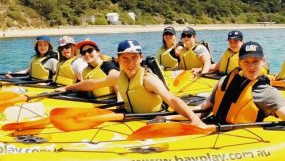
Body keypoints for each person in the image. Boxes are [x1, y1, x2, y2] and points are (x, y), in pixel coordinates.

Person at [70, 40, 207, 125]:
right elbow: (91, 84)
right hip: (132, 118)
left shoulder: (147, 79)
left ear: (141, 58)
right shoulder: (118, 77)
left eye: (134, 58)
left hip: (154, 119)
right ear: (118, 59)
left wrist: (194, 120)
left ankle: (198, 113)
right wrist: (67, 88)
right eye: (125, 58)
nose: (130, 63)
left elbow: (171, 99)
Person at [195, 41, 285, 124]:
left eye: (256, 61)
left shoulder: (266, 92)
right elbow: (204, 108)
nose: (251, 66)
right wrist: (183, 115)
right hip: (213, 129)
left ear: (263, 62)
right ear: (239, 63)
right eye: (246, 61)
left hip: (240, 140)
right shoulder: (224, 81)